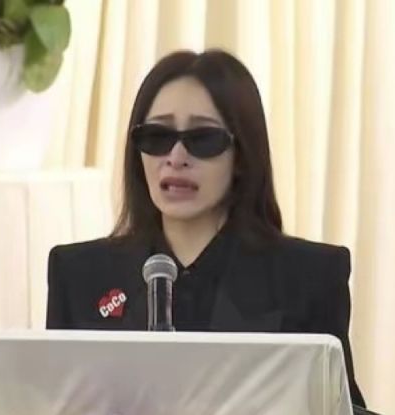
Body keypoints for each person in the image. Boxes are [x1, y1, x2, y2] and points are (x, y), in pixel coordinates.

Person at [46, 49, 366, 408]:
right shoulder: (79, 275)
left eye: (202, 139)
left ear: (242, 155)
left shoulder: (310, 277)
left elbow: (340, 407)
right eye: (157, 136)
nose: (176, 157)